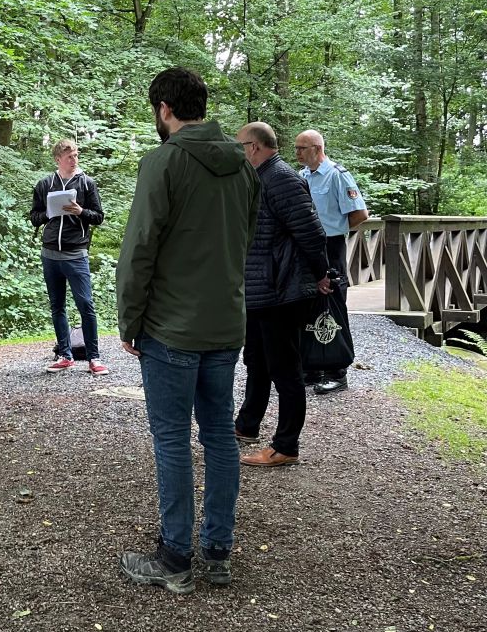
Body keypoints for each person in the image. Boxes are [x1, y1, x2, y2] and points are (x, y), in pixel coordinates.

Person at [115, 67, 260, 593]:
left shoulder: (164, 162)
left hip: (172, 328)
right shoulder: (243, 167)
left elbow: (138, 251)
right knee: (220, 435)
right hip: (225, 324)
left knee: (173, 438)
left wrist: (129, 318)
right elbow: (244, 240)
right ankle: (217, 552)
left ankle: (174, 557)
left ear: (164, 109)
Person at [233, 123, 331, 468]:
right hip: (262, 289)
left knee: (285, 369)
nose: (238, 152)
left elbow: (311, 233)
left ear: (255, 147)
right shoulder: (259, 177)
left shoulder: (282, 179)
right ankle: (247, 425)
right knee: (256, 360)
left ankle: (286, 446)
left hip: (282, 290)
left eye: (240, 146)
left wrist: (322, 274)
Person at [295, 129, 369, 393]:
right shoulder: (302, 177)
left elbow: (360, 213)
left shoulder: (337, 175)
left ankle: (338, 372)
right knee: (311, 303)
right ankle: (314, 367)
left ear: (317, 148)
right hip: (308, 247)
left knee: (333, 303)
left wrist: (337, 227)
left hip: (331, 244)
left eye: (301, 148)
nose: (297, 153)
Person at [30, 138, 108, 376]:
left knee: (86, 305)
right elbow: (34, 216)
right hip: (50, 253)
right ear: (58, 159)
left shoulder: (86, 183)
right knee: (57, 306)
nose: (74, 159)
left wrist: (80, 211)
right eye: (70, 156)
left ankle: (94, 357)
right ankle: (65, 354)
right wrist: (49, 214)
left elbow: (99, 216)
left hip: (76, 253)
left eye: (76, 155)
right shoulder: (45, 184)